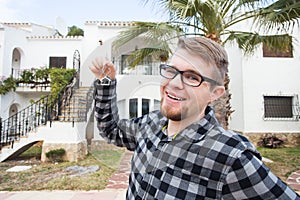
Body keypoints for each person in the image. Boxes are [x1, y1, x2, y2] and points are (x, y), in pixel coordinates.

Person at [90, 37, 300, 199]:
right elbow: (111, 130)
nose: (173, 84)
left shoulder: (230, 158)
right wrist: (106, 82)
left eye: (192, 77)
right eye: (171, 70)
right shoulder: (150, 123)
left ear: (215, 93)